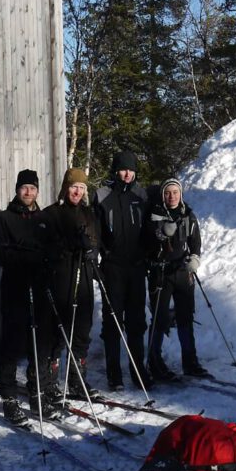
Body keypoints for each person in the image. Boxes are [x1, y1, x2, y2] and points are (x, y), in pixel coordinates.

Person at [0, 169, 56, 426]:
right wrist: (22, 257)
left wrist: (44, 258)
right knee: (12, 342)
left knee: (39, 343)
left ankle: (36, 392)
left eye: (33, 188)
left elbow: (53, 249)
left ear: (38, 191)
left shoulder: (43, 219)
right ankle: (8, 397)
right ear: (17, 189)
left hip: (39, 288)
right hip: (15, 288)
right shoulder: (4, 218)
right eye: (24, 188)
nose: (29, 192)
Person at [93, 150, 152, 391]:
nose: (127, 174)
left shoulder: (141, 195)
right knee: (113, 322)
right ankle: (114, 374)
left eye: (131, 170)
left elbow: (149, 231)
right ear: (115, 170)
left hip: (137, 269)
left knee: (137, 322)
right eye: (123, 169)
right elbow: (95, 232)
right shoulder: (102, 196)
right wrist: (97, 259)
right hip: (113, 268)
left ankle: (138, 371)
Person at [40, 167, 99, 399]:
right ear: (66, 188)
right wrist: (68, 246)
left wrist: (92, 250)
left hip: (83, 277)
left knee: (82, 331)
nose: (77, 191)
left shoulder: (89, 213)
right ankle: (50, 381)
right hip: (61, 278)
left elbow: (97, 241)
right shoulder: (52, 213)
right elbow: (45, 246)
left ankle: (76, 380)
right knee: (58, 331)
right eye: (73, 186)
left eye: (81, 187)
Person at [145, 177, 212, 380]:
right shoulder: (153, 215)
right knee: (160, 318)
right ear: (163, 195)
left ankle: (190, 362)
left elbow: (195, 241)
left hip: (182, 272)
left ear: (180, 194)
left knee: (185, 315)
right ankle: (154, 362)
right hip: (160, 273)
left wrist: (195, 258)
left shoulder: (187, 215)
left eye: (175, 192)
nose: (172, 196)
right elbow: (144, 244)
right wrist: (158, 238)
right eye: (168, 193)